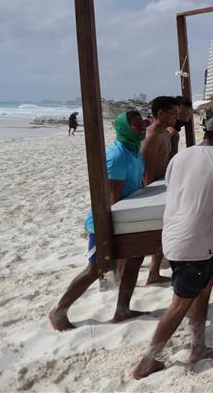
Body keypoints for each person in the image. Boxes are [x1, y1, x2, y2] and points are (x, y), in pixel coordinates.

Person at [131, 116, 213, 379]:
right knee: (180, 304)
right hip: (193, 242)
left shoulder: (178, 158)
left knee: (204, 289)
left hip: (174, 236)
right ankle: (146, 362)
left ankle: (198, 346)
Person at [49, 111, 149, 331]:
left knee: (135, 259)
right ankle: (59, 310)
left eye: (143, 123)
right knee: (96, 269)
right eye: (136, 125)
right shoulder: (117, 155)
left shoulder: (135, 151)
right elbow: (112, 201)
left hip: (128, 218)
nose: (142, 127)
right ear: (124, 128)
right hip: (106, 222)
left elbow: (139, 185)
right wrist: (112, 233)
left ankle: (123, 309)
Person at [141, 96, 179, 285]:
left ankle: (154, 273)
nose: (176, 117)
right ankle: (148, 273)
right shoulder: (151, 137)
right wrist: (150, 198)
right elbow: (146, 173)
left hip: (164, 186)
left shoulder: (166, 133)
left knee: (163, 233)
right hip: (153, 190)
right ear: (161, 113)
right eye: (173, 113)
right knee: (155, 235)